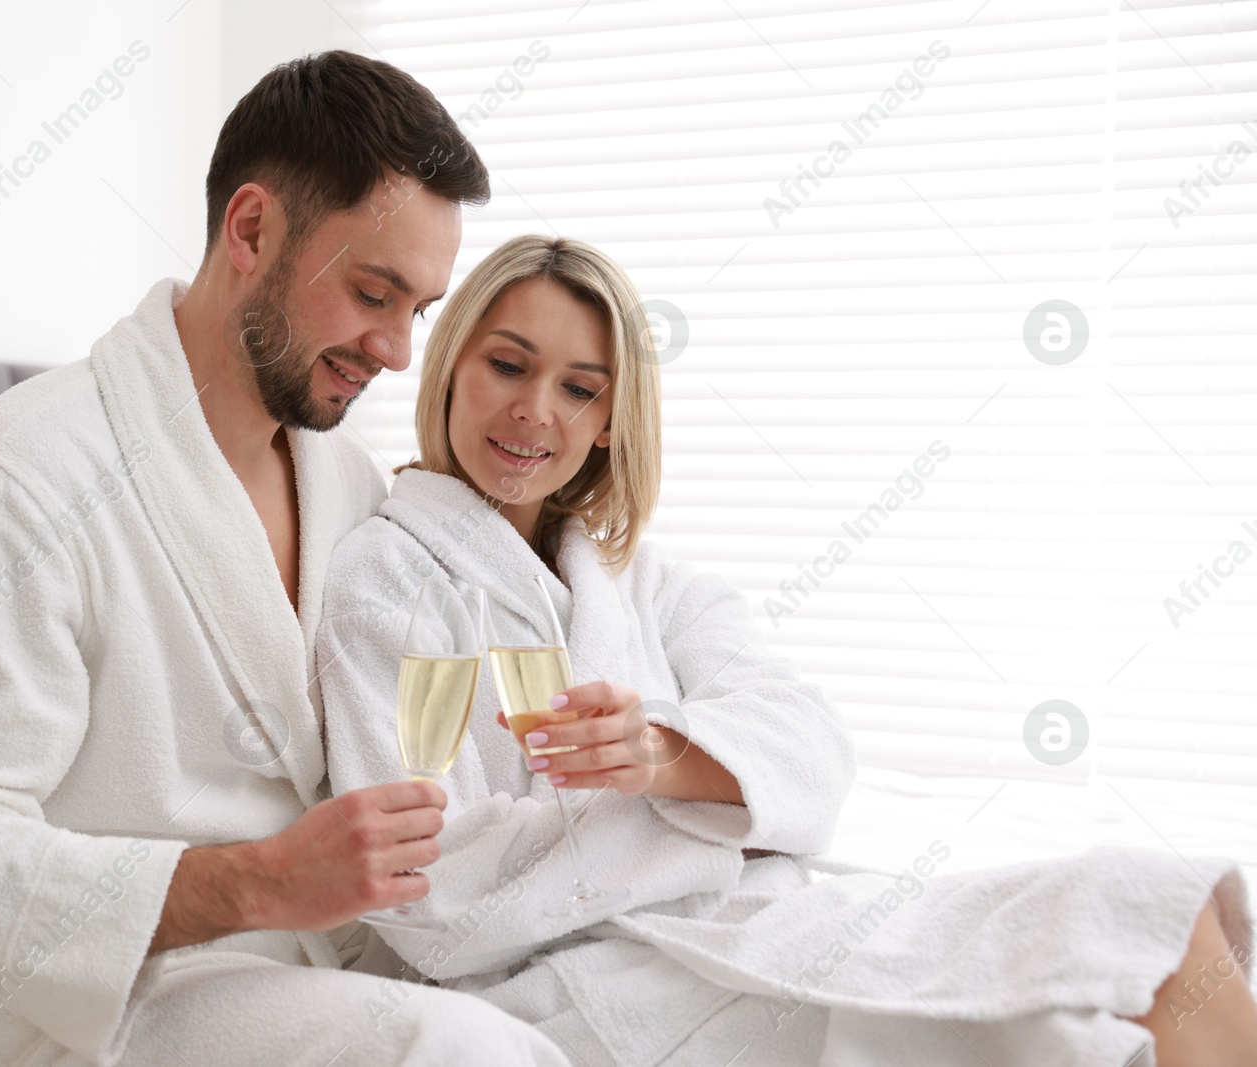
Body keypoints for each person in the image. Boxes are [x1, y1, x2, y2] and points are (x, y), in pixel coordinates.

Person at [319, 235, 1257, 1066]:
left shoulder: (647, 586)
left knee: (1151, 906)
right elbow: (426, 894)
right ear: (451, 368)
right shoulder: (389, 581)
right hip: (592, 984)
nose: (536, 411)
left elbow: (812, 749)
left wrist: (659, 754)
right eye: (508, 366)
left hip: (757, 930)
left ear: (609, 420)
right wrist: (704, 825)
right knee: (1106, 985)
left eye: (578, 388)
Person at [0, 53, 571, 1067]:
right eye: (373, 291)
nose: (399, 350)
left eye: (420, 310)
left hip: (314, 971)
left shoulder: (348, 480)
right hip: (86, 1006)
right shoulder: (27, 475)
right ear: (252, 229)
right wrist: (256, 882)